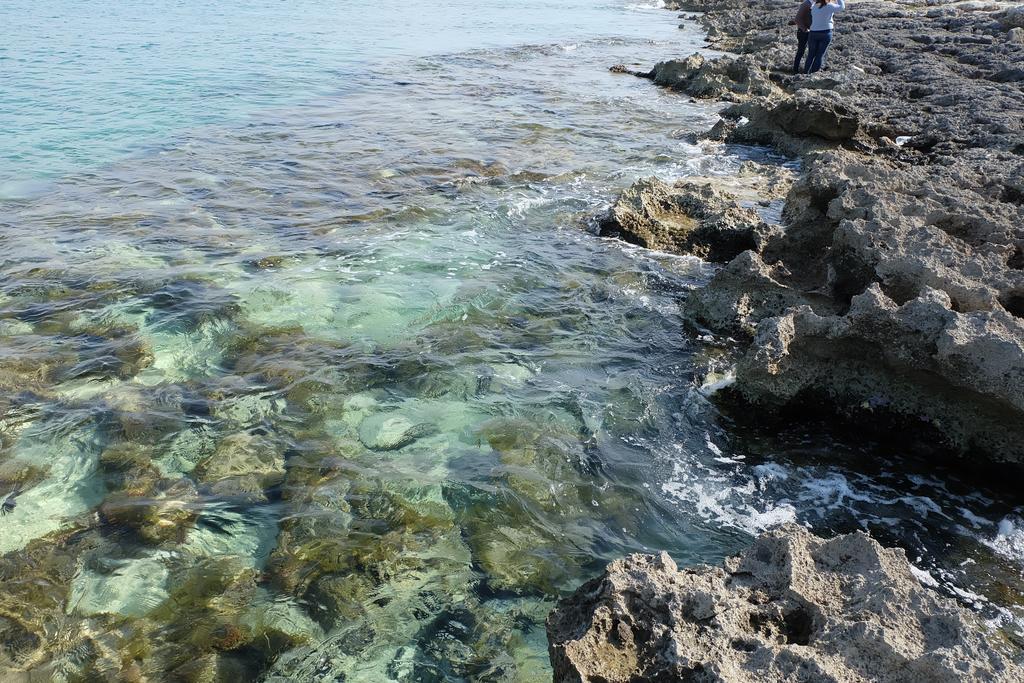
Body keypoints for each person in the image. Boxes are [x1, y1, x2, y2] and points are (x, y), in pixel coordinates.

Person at [805, 0, 845, 74]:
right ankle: (813, 74)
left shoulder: (814, 6)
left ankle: (805, 72)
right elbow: (842, 7)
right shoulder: (829, 6)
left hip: (813, 32)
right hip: (825, 32)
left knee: (811, 54)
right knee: (820, 55)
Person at [792, 0, 813, 74]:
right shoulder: (806, 4)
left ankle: (809, 70)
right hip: (803, 32)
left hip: (812, 32)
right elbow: (797, 19)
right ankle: (795, 69)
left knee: (812, 51)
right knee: (801, 51)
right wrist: (805, 29)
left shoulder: (816, 3)